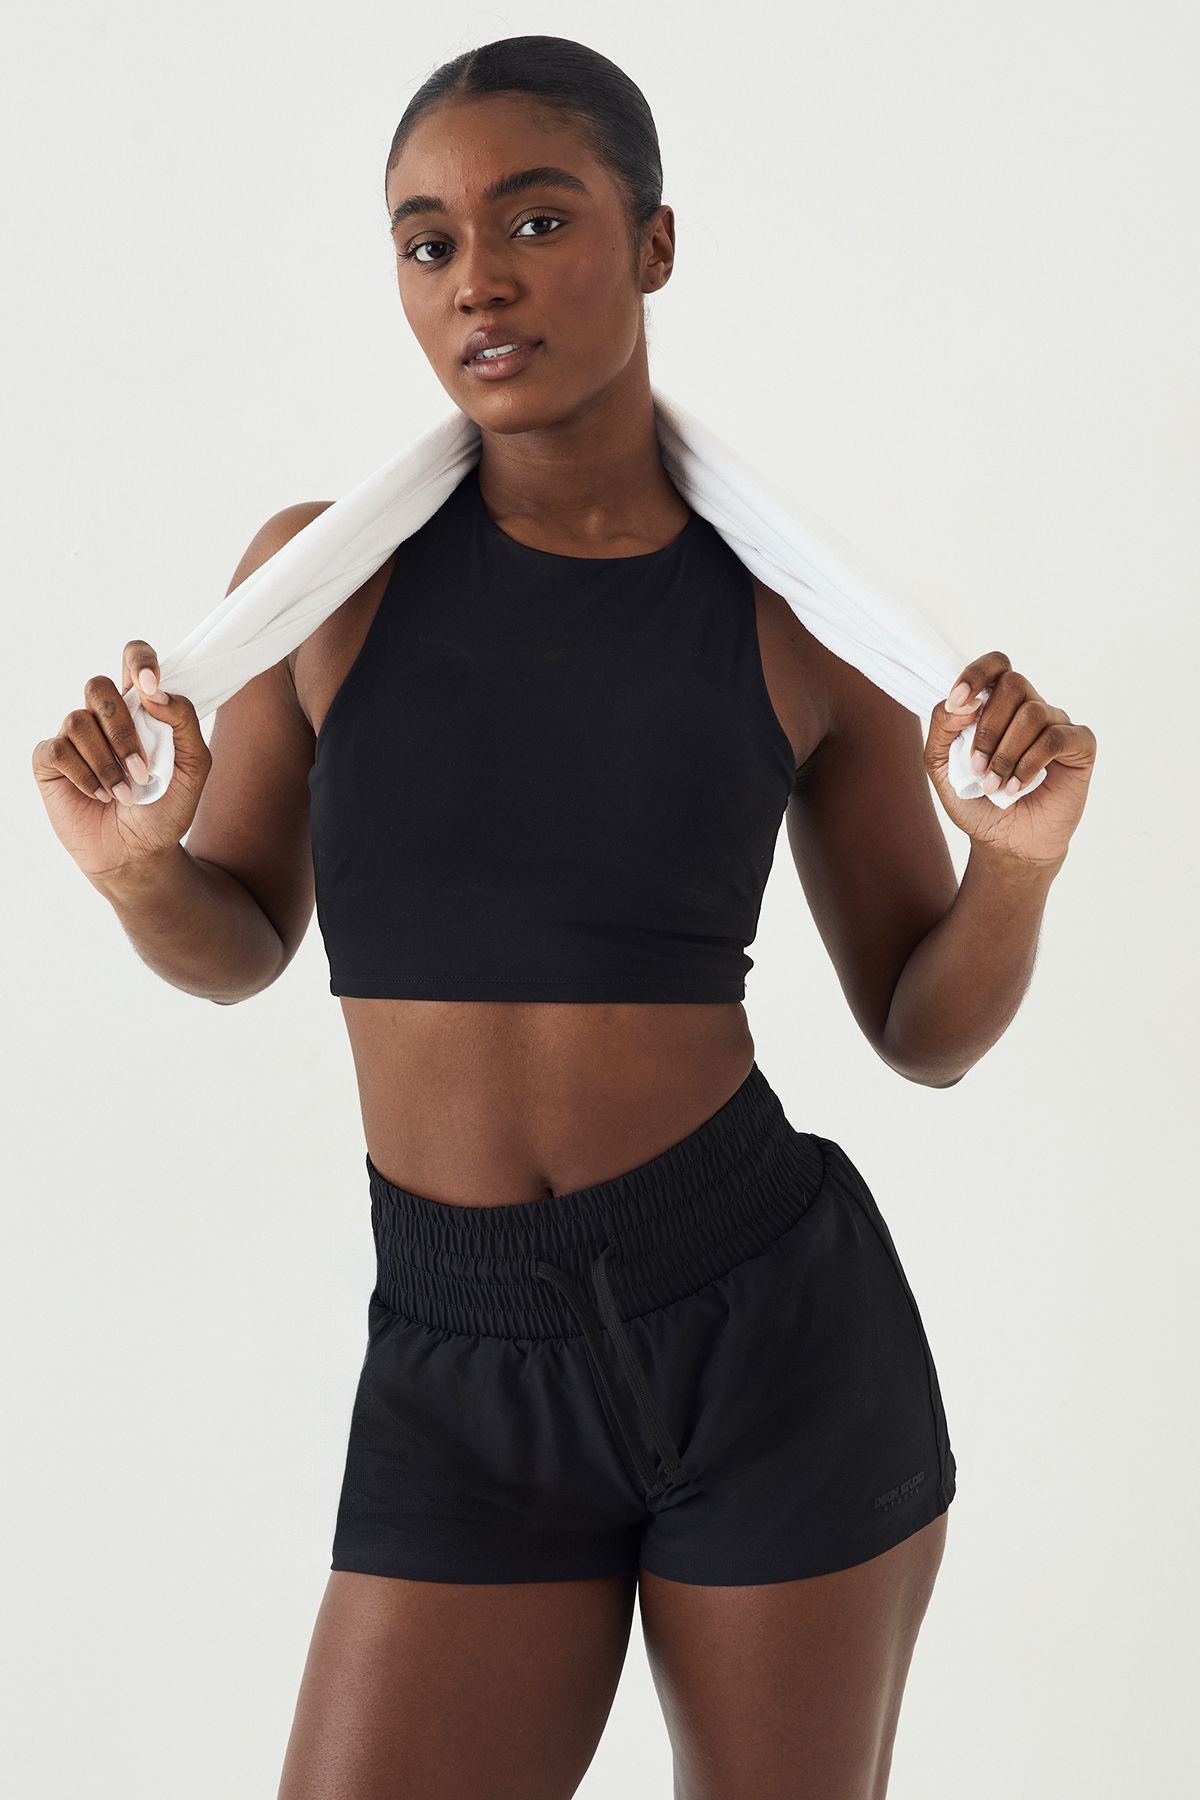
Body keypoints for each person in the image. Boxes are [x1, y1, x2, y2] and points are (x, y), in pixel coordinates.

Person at [32, 34, 1096, 1800]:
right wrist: (140, 866)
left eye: (538, 219)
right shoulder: (321, 581)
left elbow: (925, 1028)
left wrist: (1019, 868)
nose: (479, 279)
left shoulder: (794, 616)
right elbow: (241, 944)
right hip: (455, 1355)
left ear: (654, 243)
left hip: (764, 1328)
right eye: (428, 242)